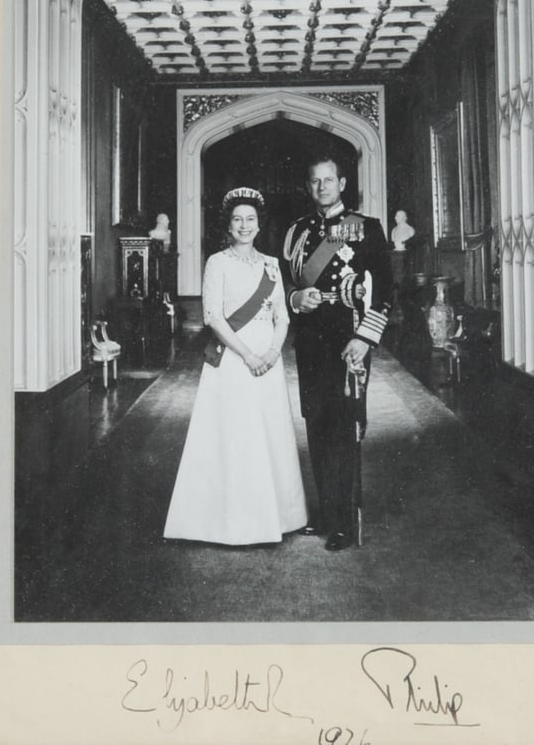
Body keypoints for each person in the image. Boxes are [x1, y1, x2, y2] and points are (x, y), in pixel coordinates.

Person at [163, 188, 307, 545]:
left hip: (268, 360)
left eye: (251, 220)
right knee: (235, 436)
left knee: (268, 433)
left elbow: (282, 317)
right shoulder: (217, 262)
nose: (245, 226)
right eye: (238, 220)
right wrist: (249, 356)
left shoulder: (272, 264)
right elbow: (212, 317)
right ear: (228, 226)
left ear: (259, 225)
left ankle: (278, 517)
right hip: (233, 357)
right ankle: (230, 523)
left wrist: (272, 352)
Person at [284, 156, 393, 551]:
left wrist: (364, 339)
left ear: (342, 183)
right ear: (308, 186)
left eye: (329, 180)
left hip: (349, 340)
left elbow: (384, 293)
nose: (322, 187)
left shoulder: (366, 229)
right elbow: (284, 287)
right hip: (311, 341)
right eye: (315, 181)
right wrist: (297, 297)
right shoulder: (297, 232)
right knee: (316, 423)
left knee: (344, 427)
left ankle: (345, 519)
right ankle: (326, 512)